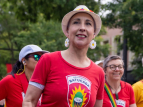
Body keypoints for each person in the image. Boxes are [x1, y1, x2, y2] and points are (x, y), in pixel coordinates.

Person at [22, 5, 105, 107]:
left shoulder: (99, 72)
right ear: (67, 31)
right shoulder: (48, 60)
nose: (82, 28)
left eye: (88, 24)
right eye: (76, 22)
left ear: (94, 33)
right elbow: (29, 101)